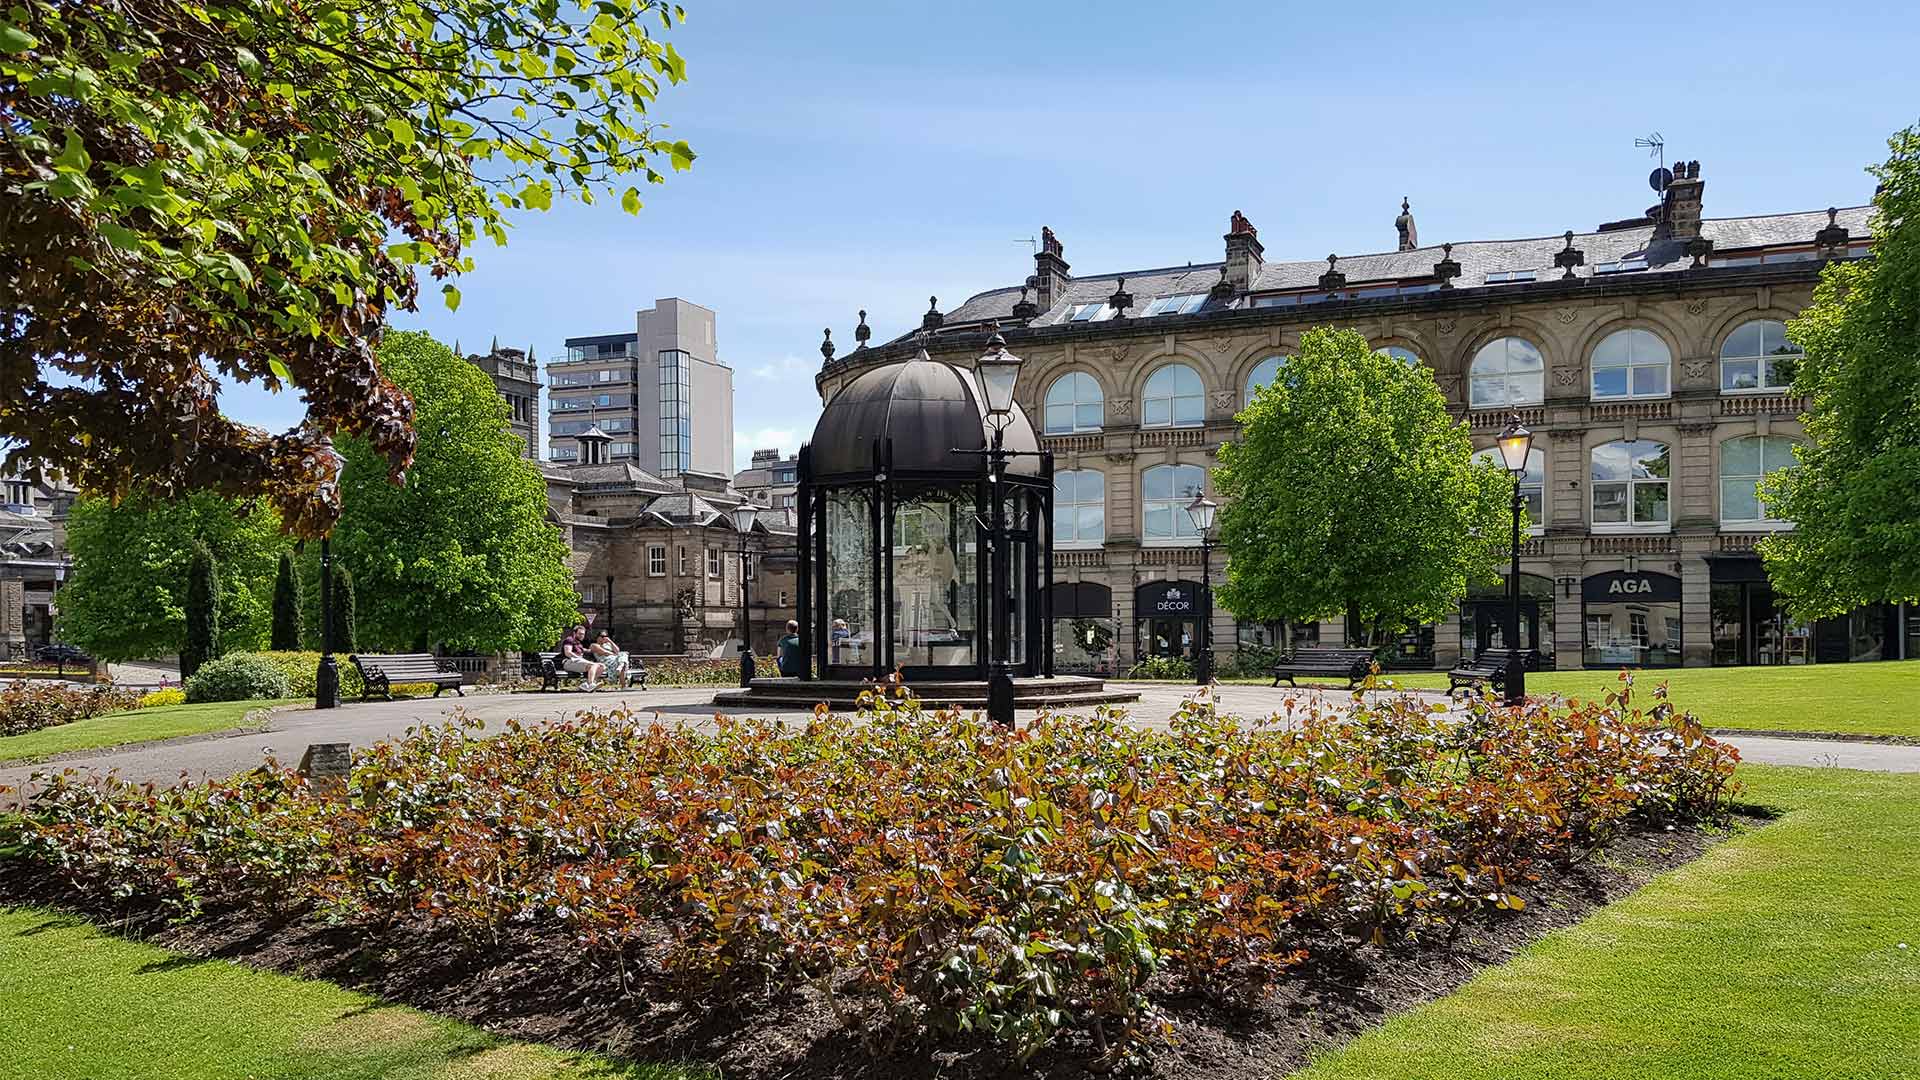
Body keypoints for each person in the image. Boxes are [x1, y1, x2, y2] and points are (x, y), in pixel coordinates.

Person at [557, 624, 602, 691]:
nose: (582, 636)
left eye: (583, 634)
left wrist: (597, 649)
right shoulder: (569, 640)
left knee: (601, 666)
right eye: (580, 634)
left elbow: (584, 650)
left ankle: (586, 685)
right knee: (594, 665)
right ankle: (591, 684)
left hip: (577, 662)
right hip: (569, 662)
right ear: (574, 633)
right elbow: (568, 652)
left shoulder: (579, 643)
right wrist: (580, 658)